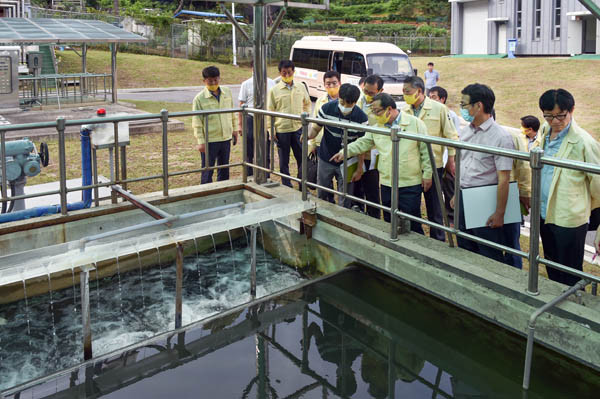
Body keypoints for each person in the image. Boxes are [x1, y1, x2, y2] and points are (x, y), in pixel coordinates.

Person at [331, 93, 432, 234]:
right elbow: (364, 142)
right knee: (390, 219)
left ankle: (416, 250)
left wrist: (427, 174)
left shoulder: (415, 123)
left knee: (411, 220)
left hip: (409, 182)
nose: (375, 115)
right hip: (387, 181)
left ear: (389, 109)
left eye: (377, 111)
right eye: (373, 111)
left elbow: (426, 151)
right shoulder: (378, 127)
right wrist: (345, 152)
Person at [537, 89, 600, 286]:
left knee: (570, 269)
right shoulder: (544, 132)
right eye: (548, 115)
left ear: (571, 110)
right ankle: (555, 300)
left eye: (560, 115)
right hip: (545, 212)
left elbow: (598, 183)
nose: (555, 121)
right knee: (551, 263)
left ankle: (574, 307)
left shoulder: (584, 142)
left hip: (570, 218)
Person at [451, 83, 514, 263]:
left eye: (464, 105)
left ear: (478, 106)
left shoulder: (500, 137)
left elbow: (504, 179)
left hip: (483, 199)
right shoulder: (466, 131)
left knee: (488, 251)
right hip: (464, 195)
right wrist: (457, 193)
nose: (461, 109)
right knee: (464, 245)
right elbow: (462, 164)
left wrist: (499, 212)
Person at [403, 76, 458, 241]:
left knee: (435, 206)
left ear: (419, 91)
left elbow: (451, 136)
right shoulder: (405, 111)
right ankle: (415, 237)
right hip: (411, 165)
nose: (404, 95)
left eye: (407, 92)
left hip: (434, 165)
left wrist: (451, 160)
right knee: (411, 205)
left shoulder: (439, 109)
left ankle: (438, 240)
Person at [308, 83, 368, 206]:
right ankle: (322, 213)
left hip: (348, 161)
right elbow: (316, 128)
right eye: (342, 102)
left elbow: (362, 145)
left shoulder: (361, 118)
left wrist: (359, 168)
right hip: (326, 157)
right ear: (338, 98)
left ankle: (342, 219)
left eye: (349, 104)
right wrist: (309, 135)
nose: (344, 106)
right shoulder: (326, 108)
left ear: (355, 102)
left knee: (345, 195)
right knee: (322, 190)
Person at [192, 66, 240, 184]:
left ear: (219, 78)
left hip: (225, 138)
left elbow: (232, 112)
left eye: (215, 80)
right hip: (210, 140)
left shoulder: (227, 92)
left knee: (224, 168)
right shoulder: (199, 98)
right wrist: (201, 141)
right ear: (204, 81)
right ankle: (205, 192)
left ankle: (223, 191)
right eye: (210, 81)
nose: (213, 83)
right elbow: (197, 121)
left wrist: (234, 129)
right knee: (208, 169)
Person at [267, 60, 311, 188]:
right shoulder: (274, 90)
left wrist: (306, 117)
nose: (287, 75)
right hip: (282, 130)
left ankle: (302, 185)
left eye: (289, 72)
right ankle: (286, 185)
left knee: (301, 159)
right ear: (280, 73)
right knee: (283, 161)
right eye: (284, 73)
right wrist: (271, 130)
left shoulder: (301, 87)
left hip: (298, 129)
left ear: (293, 71)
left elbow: (307, 103)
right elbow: (270, 111)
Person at [428, 85, 462, 223]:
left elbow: (453, 138)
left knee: (449, 190)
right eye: (429, 97)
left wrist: (451, 161)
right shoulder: (430, 112)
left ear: (442, 99)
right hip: (435, 159)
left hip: (446, 159)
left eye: (434, 97)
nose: (431, 100)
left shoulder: (450, 115)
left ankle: (452, 220)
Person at [354, 74, 385, 219]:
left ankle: (374, 218)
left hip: (373, 155)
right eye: (365, 91)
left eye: (371, 93)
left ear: (380, 91)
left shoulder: (384, 107)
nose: (367, 95)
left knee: (372, 189)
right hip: (355, 151)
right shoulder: (357, 101)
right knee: (356, 187)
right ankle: (359, 214)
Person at [238, 60, 275, 177]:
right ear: (252, 69)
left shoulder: (271, 83)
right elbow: (241, 105)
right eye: (256, 68)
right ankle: (249, 175)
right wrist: (240, 125)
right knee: (249, 148)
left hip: (266, 119)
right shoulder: (246, 84)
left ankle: (265, 175)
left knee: (266, 147)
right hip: (250, 118)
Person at [307, 70, 342, 157]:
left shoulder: (346, 101)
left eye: (334, 83)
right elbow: (314, 122)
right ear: (324, 85)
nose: (331, 86)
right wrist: (312, 143)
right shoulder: (320, 100)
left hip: (340, 144)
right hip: (321, 143)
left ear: (340, 83)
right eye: (328, 84)